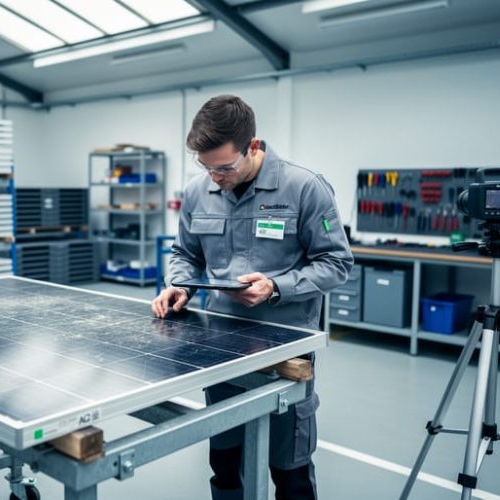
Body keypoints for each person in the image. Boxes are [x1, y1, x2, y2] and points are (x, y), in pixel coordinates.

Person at [151, 95, 353, 500]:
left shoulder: (305, 188)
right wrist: (180, 285)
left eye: (224, 167)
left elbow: (337, 263)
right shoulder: (197, 192)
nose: (214, 178)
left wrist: (276, 287)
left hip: (285, 350)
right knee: (225, 465)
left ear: (253, 147)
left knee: (289, 470)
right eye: (205, 166)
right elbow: (184, 254)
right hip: (218, 347)